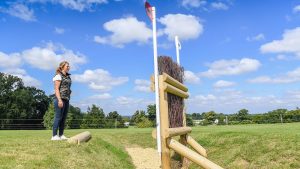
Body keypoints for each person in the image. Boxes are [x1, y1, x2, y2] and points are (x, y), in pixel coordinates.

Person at [51, 61, 72, 141]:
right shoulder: (58, 76)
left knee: (64, 118)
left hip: (66, 99)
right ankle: (54, 136)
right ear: (62, 67)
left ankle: (61, 134)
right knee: (58, 117)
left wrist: (69, 91)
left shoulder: (68, 76)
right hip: (60, 99)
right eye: (67, 66)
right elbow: (56, 89)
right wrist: (59, 100)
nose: (69, 67)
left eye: (69, 66)